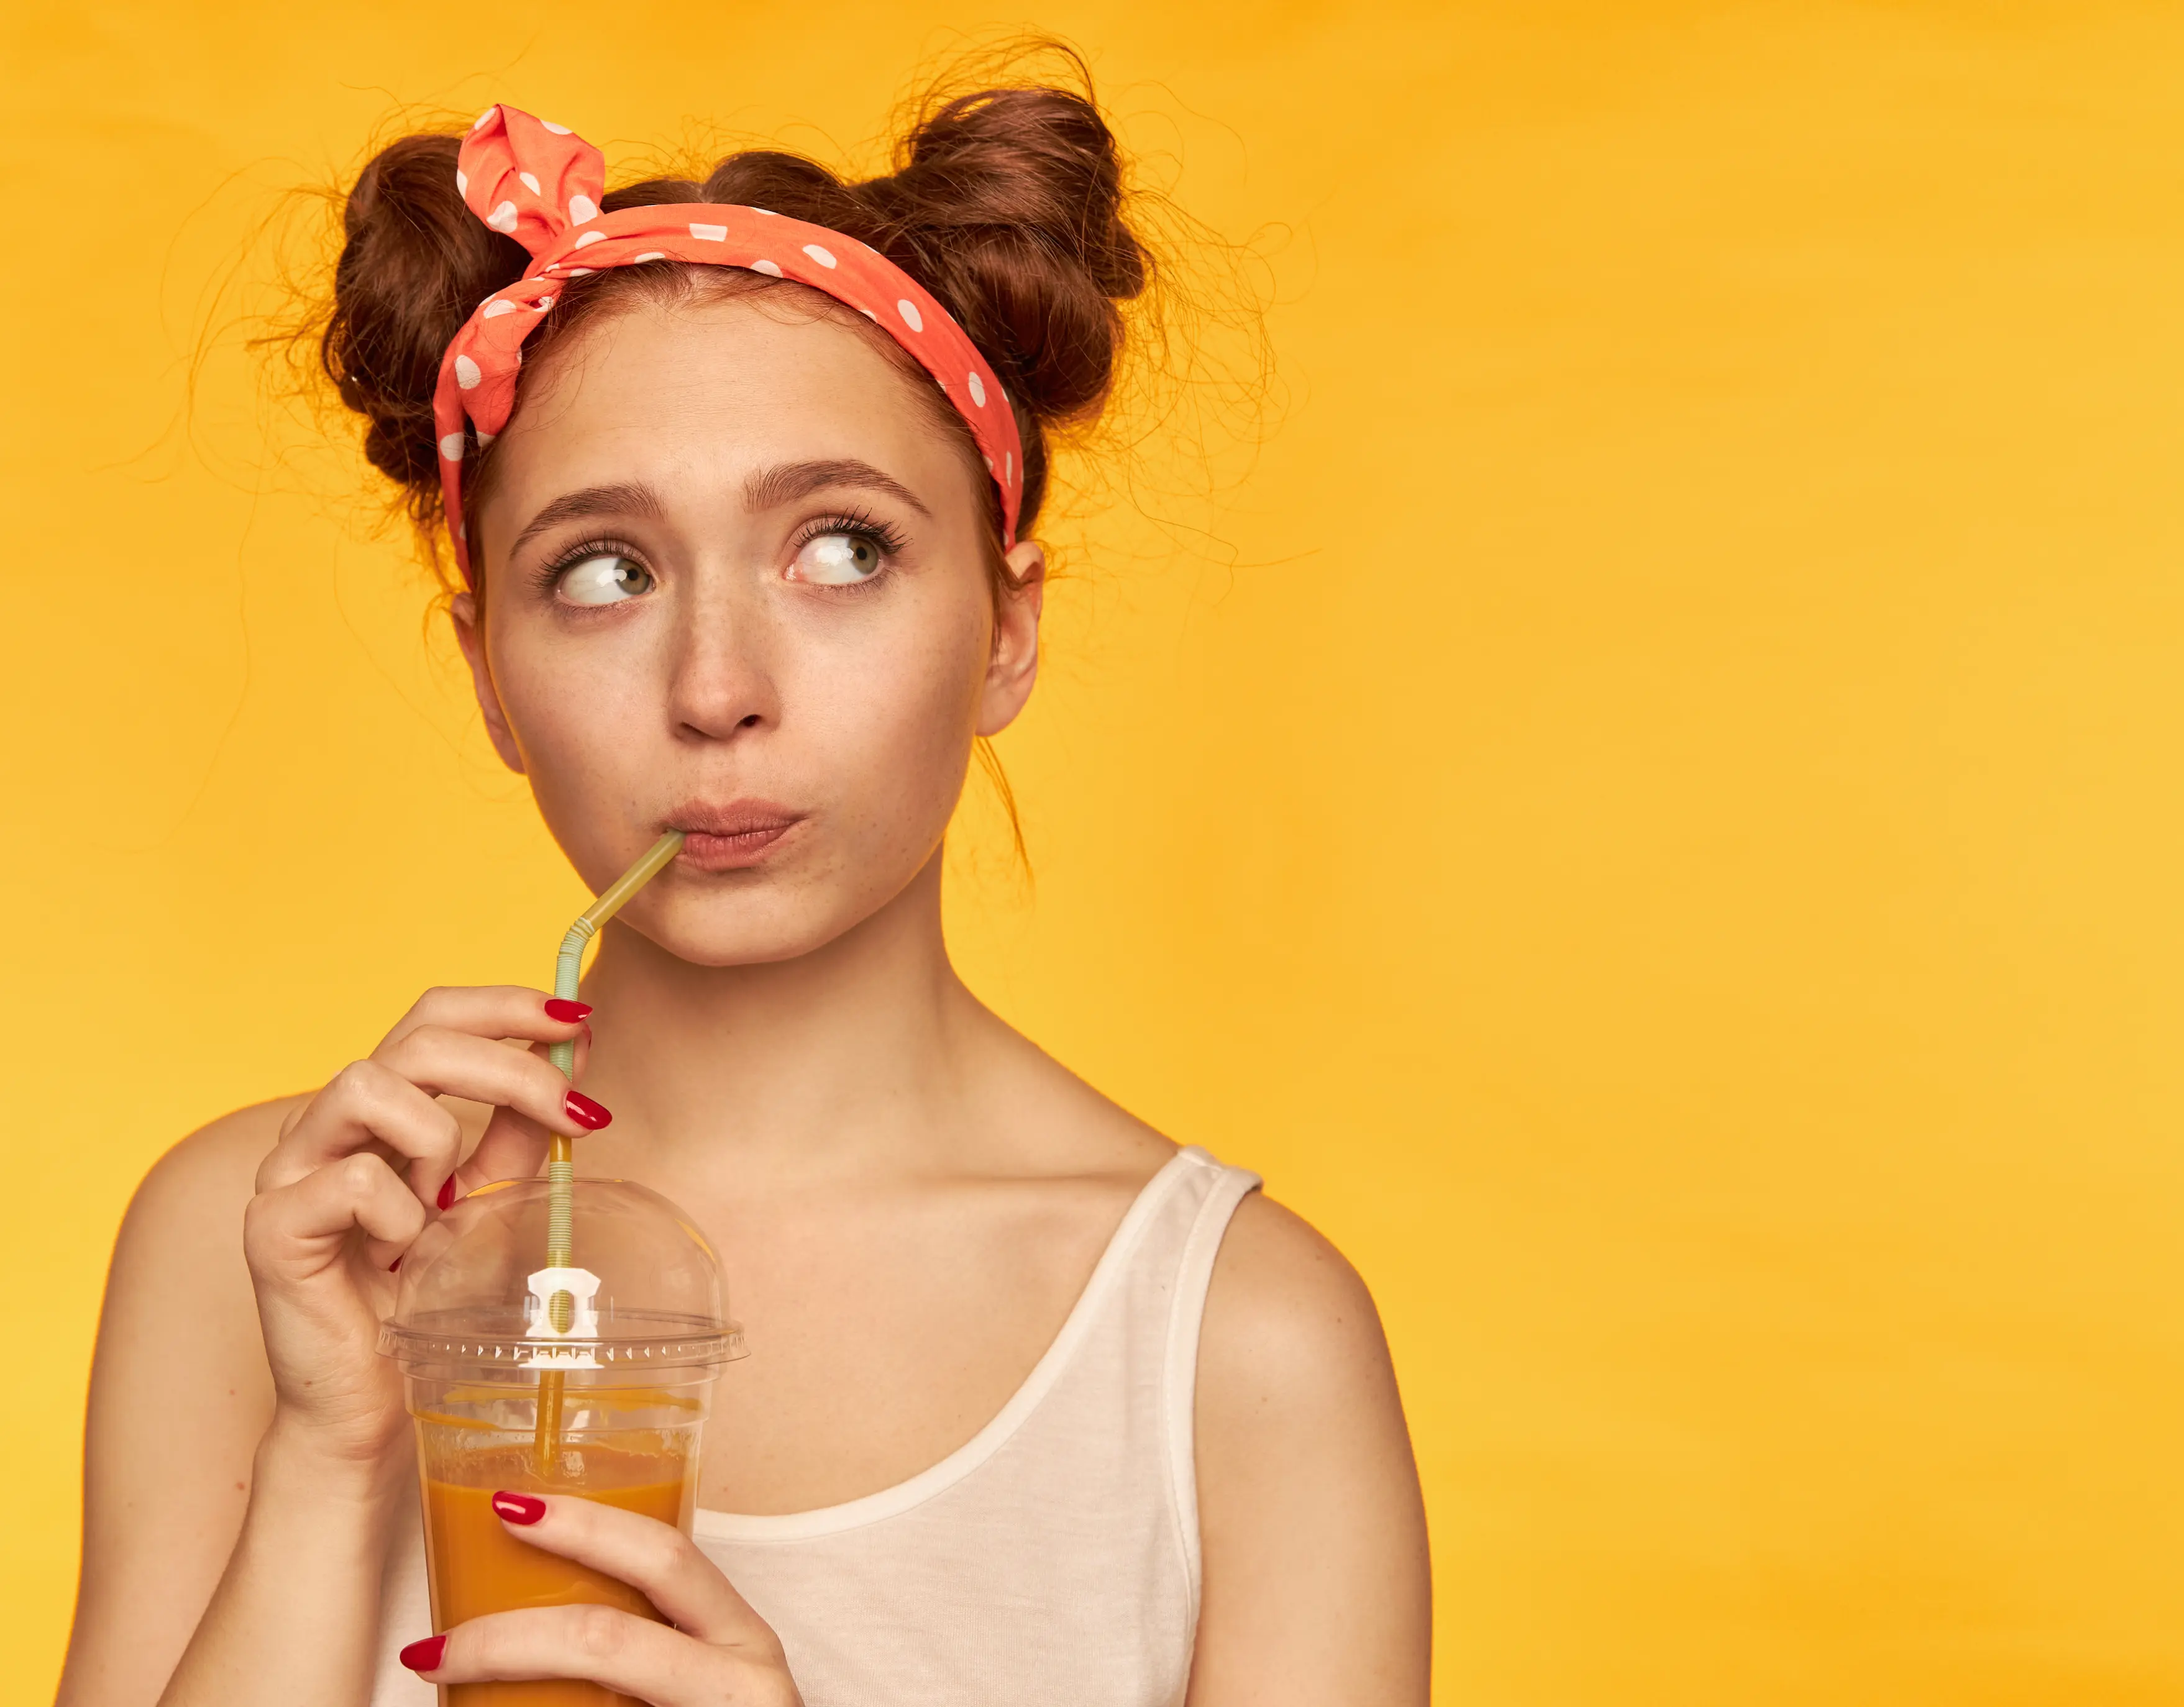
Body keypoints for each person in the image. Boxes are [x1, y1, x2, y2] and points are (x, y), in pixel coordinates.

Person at [57, 55, 1430, 1707]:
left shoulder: (1236, 1354)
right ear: (489, 671)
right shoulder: (269, 1243)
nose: (716, 686)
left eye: (841, 546)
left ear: (1008, 628)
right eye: (605, 572)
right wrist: (330, 1459)